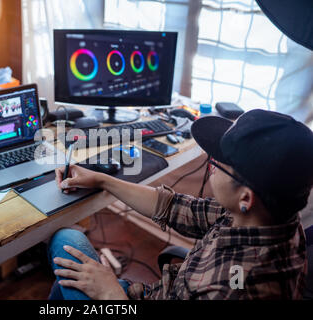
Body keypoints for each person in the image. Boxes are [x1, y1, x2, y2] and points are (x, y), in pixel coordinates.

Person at [47, 109, 313, 300]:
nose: (210, 168)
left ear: (246, 197)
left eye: (216, 165)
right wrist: (103, 180)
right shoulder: (271, 218)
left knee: (65, 240)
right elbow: (174, 207)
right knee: (69, 278)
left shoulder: (234, 288)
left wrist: (111, 293)